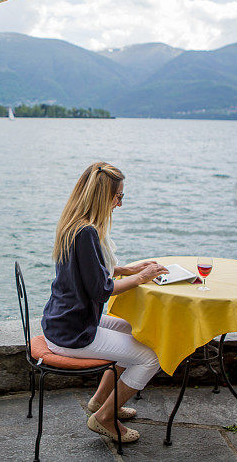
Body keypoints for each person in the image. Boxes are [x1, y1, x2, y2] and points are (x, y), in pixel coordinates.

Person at [41, 161, 169, 443]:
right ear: (103, 196)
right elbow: (101, 290)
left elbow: (89, 272)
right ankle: (103, 418)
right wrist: (143, 277)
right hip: (73, 333)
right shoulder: (86, 233)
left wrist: (128, 270)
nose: (120, 203)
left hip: (61, 322)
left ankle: (101, 401)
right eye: (118, 196)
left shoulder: (75, 224)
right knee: (152, 356)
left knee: (134, 330)